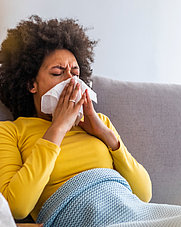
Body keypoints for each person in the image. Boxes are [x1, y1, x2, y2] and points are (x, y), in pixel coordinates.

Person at [0, 15, 152, 223]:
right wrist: (58, 128)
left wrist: (105, 134)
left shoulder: (98, 123)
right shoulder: (11, 132)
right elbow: (16, 207)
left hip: (128, 213)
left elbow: (143, 194)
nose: (71, 81)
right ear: (30, 85)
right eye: (58, 72)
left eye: (75, 73)